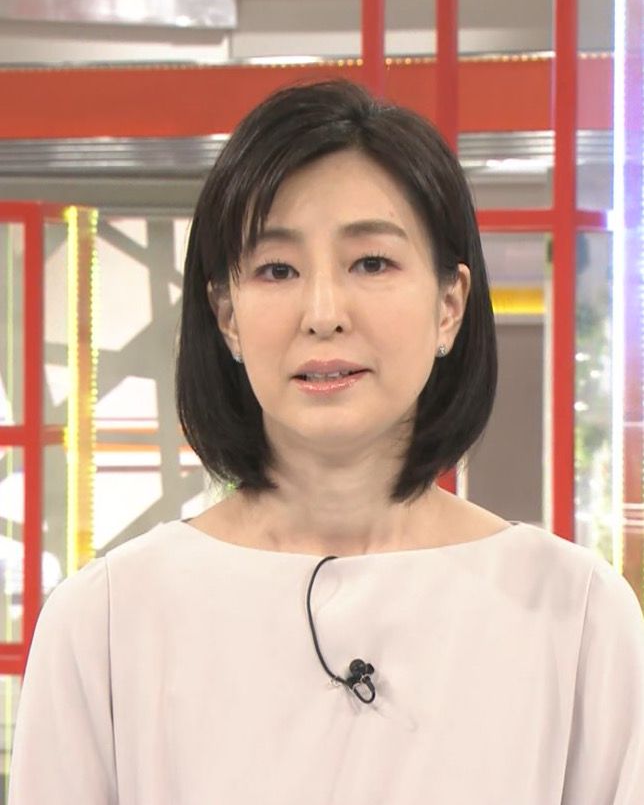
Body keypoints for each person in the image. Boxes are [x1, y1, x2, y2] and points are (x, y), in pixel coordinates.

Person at [8, 80, 643, 804]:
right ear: (226, 317)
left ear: (449, 306)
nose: (323, 312)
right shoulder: (106, 620)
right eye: (277, 269)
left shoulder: (577, 614)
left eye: (371, 262)